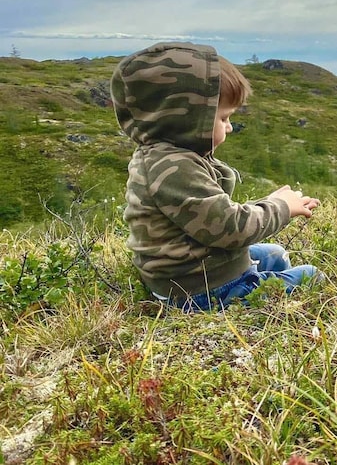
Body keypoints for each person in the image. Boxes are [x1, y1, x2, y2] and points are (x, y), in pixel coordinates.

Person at [111, 42, 321, 312]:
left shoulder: (165, 156)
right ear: (187, 120)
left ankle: (265, 285)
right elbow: (230, 229)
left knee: (276, 255)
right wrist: (280, 208)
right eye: (223, 119)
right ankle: (268, 306)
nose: (230, 127)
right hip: (200, 287)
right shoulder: (175, 169)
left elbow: (209, 216)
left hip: (192, 270)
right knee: (312, 276)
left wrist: (266, 203)